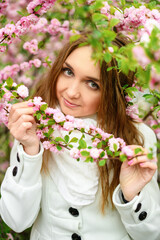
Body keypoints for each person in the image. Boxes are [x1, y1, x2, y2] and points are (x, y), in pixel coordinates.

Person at [0, 34, 160, 240]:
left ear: (113, 93)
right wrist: (30, 151)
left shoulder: (136, 138)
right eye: (68, 72)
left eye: (93, 84)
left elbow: (152, 234)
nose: (72, 92)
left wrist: (131, 196)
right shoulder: (37, 125)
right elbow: (16, 221)